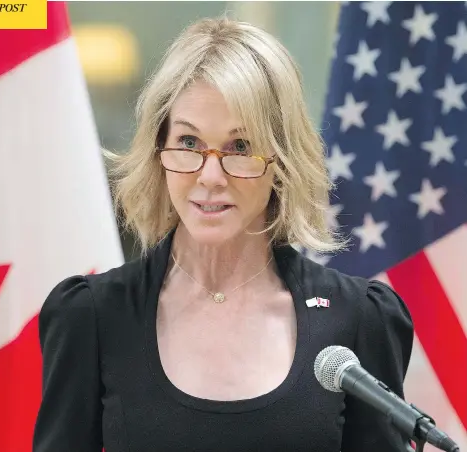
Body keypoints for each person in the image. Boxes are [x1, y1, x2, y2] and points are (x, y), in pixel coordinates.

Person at [33, 16, 414, 452]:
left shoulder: (359, 319)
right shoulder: (92, 316)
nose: (210, 176)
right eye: (190, 143)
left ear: (282, 161)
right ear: (158, 151)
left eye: (239, 147)